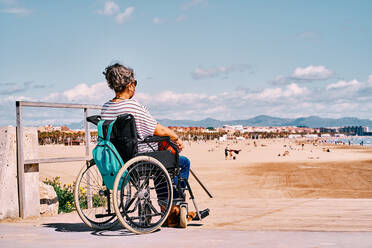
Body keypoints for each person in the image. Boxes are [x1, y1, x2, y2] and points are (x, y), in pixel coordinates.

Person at [100, 63, 190, 200]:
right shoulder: (133, 106)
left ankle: (165, 205)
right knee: (182, 162)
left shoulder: (106, 107)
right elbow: (158, 130)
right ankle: (174, 206)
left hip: (117, 159)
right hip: (140, 158)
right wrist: (176, 138)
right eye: (135, 83)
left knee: (161, 160)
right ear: (129, 85)